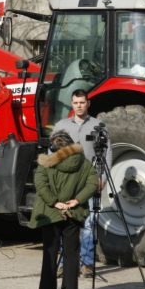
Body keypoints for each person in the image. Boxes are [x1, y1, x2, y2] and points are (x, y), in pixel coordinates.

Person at [29, 130, 99, 289]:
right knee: (72, 254)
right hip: (73, 213)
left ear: (53, 147)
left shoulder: (46, 163)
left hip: (52, 213)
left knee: (50, 253)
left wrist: (55, 202)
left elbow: (40, 185)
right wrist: (77, 200)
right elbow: (93, 183)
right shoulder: (83, 162)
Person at [53, 88, 112, 278]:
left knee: (89, 223)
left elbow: (107, 154)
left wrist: (102, 178)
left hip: (90, 182)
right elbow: (51, 153)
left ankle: (86, 264)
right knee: (66, 221)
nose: (79, 106)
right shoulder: (61, 126)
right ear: (72, 104)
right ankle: (64, 263)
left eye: (82, 102)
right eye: (76, 103)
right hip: (67, 182)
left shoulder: (99, 126)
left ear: (88, 103)